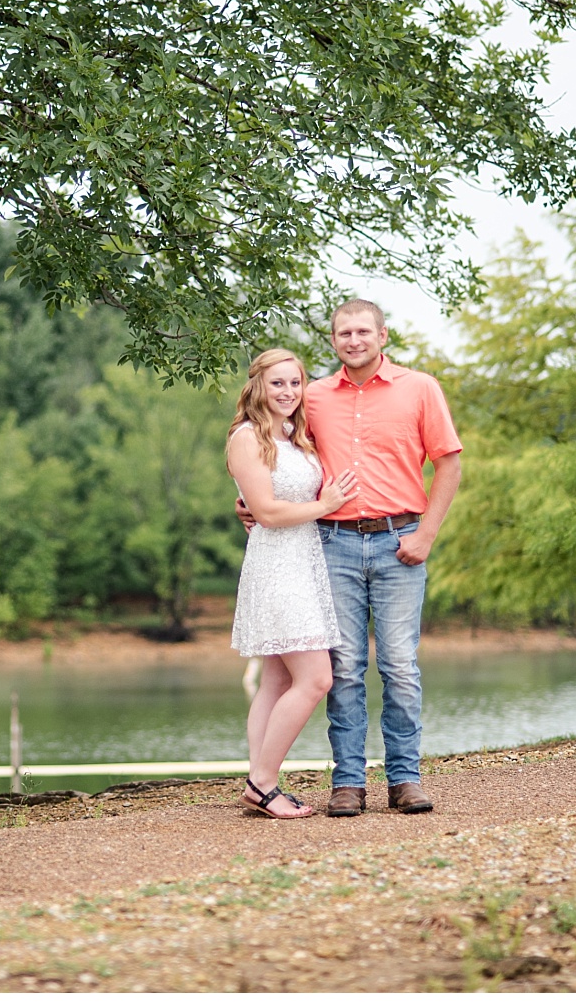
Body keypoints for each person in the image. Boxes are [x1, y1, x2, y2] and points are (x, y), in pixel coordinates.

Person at [239, 300, 462, 816]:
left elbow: (448, 463)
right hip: (330, 544)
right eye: (344, 332)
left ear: (383, 335)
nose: (354, 339)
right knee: (343, 668)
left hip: (399, 540)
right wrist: (250, 502)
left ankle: (405, 778)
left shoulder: (421, 388)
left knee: (400, 667)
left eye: (364, 331)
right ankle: (348, 782)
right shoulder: (312, 396)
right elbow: (282, 457)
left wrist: (427, 533)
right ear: (334, 340)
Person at [225, 349, 357, 819]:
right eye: (277, 383)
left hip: (304, 562)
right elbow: (266, 512)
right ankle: (261, 784)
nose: (287, 392)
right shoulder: (246, 437)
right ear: (257, 385)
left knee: (278, 679)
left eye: (295, 383)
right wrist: (326, 505)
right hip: (278, 567)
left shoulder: (291, 436)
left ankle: (261, 780)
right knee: (317, 677)